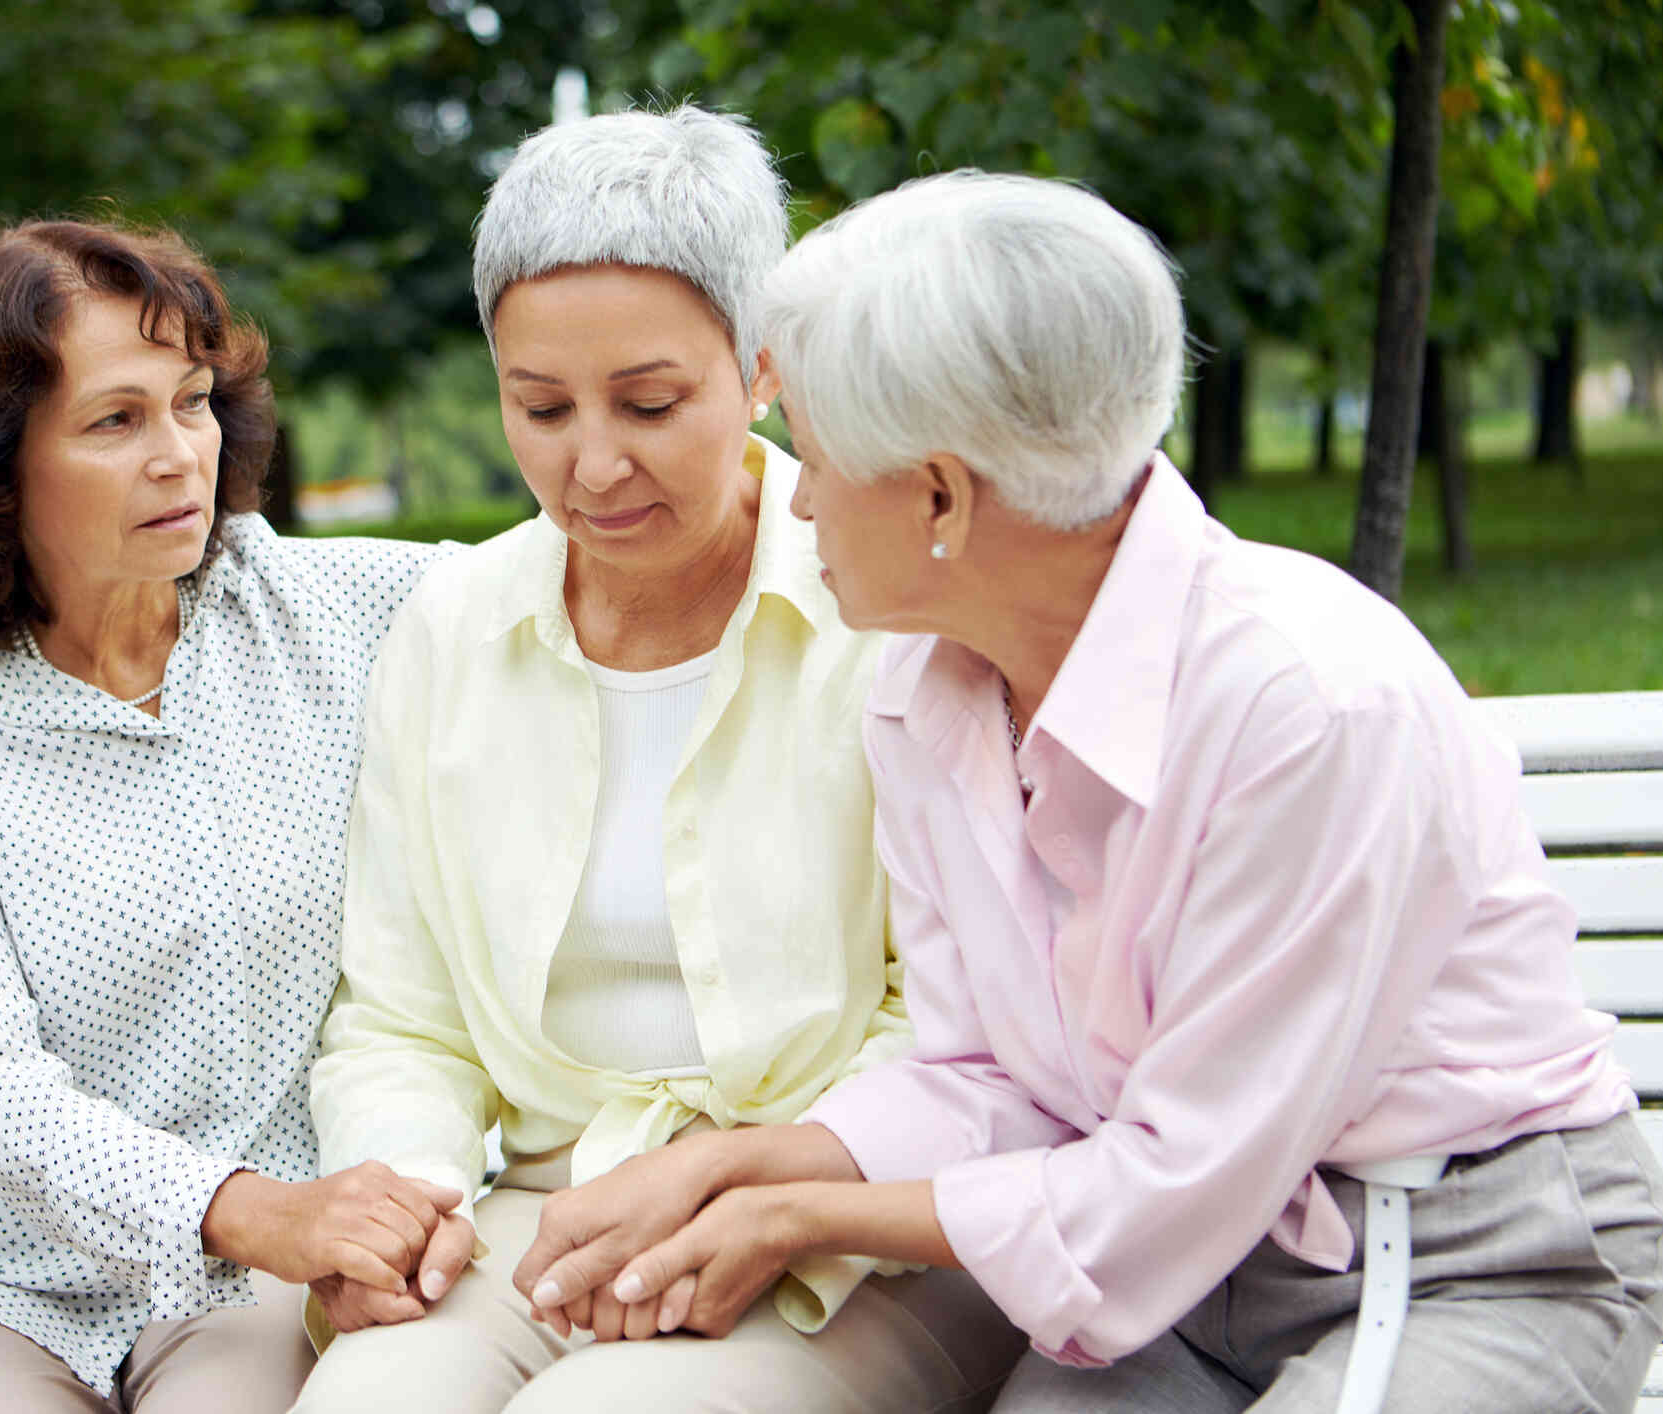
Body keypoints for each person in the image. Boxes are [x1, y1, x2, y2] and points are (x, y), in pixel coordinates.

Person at [516, 170, 1663, 1413]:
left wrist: (797, 1213)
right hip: (1197, 1267)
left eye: (819, 459)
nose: (794, 498)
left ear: (942, 496)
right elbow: (989, 1075)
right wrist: (739, 1166)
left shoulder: (1309, 707)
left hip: (1469, 1261)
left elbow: (1177, 1176)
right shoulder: (925, 684)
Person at [290, 108, 1025, 1414]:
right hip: (538, 1218)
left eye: (649, 401)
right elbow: (402, 1018)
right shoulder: (455, 629)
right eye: (539, 405)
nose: (591, 464)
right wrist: (408, 1200)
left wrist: (758, 1198)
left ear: (762, 369)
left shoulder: (886, 618)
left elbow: (963, 1023)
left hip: (847, 1236)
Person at [0, 218, 459, 1413]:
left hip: (265, 1268)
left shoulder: (331, 608)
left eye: (192, 401)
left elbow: (576, 571)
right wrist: (249, 1207)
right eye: (116, 422)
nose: (182, 455)